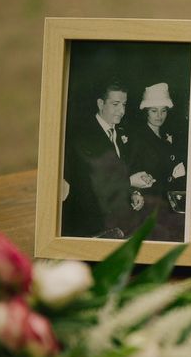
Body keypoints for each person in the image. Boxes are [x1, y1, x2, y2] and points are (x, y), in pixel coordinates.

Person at [62, 79, 153, 238]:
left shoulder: (122, 134)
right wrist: (130, 182)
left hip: (117, 222)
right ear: (100, 103)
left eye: (124, 105)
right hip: (88, 226)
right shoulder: (83, 136)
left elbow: (121, 171)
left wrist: (133, 193)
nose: (121, 111)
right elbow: (87, 186)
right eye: (115, 104)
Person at [127, 82, 187, 241]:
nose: (159, 116)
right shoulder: (138, 139)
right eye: (154, 111)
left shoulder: (168, 135)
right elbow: (130, 171)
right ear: (145, 112)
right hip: (149, 208)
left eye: (163, 110)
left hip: (170, 205)